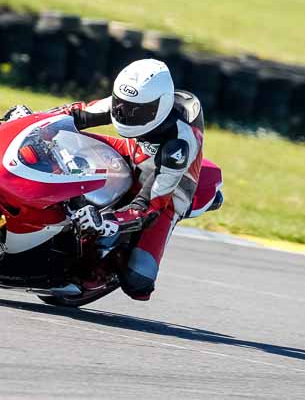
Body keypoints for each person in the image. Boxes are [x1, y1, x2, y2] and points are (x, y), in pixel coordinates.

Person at [59, 58, 205, 301]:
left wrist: (111, 221)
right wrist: (32, 119)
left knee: (139, 281)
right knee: (61, 139)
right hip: (130, 155)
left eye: (138, 111)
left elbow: (150, 203)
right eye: (121, 107)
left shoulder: (179, 141)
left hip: (168, 190)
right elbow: (78, 113)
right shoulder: (131, 102)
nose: (126, 115)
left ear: (160, 107)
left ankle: (110, 260)